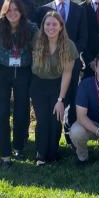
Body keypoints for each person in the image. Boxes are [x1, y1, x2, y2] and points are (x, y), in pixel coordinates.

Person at [38, 0, 87, 136]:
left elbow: (83, 37)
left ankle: (70, 136)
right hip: (49, 67)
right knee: (54, 102)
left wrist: (69, 55)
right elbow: (40, 38)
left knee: (71, 102)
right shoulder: (43, 10)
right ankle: (52, 137)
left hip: (71, 64)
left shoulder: (80, 10)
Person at [0, 0, 38, 167]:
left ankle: (18, 146)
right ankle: (5, 152)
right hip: (2, 71)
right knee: (2, 112)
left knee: (22, 110)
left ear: (21, 12)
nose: (12, 13)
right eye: (9, 10)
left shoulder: (31, 28)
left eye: (16, 10)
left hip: (23, 71)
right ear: (4, 12)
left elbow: (41, 46)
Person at [31, 10, 78, 165]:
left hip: (58, 85)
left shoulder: (68, 45)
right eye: (47, 24)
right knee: (43, 119)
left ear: (60, 26)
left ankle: (53, 153)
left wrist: (60, 99)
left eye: (54, 24)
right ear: (43, 25)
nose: (50, 27)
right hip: (38, 84)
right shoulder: (37, 40)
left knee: (55, 119)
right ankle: (41, 155)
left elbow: (67, 74)